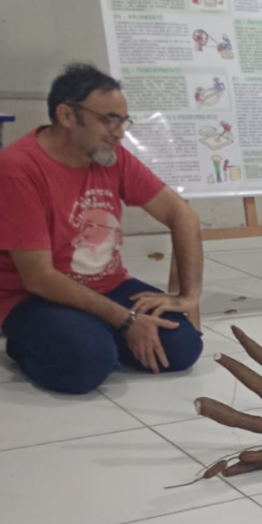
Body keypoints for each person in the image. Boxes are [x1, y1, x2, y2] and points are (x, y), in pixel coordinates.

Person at [0, 64, 205, 395]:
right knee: (88, 363)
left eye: (123, 121)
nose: (119, 132)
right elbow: (39, 278)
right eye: (110, 119)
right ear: (67, 116)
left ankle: (90, 331)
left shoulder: (111, 156)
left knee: (183, 347)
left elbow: (181, 215)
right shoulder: (17, 168)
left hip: (107, 285)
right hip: (33, 297)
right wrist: (127, 320)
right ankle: (26, 344)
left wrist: (188, 295)